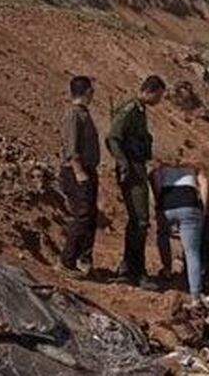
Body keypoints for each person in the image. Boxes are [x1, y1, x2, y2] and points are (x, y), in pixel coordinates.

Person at [106, 75, 166, 287]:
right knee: (140, 221)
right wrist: (123, 163)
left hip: (136, 167)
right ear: (151, 91)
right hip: (131, 169)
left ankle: (128, 267)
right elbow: (113, 136)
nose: (159, 100)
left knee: (137, 221)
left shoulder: (139, 110)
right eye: (159, 95)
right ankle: (136, 272)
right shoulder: (131, 109)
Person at [151, 158, 209, 303]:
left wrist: (159, 201)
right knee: (192, 252)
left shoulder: (162, 168)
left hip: (168, 204)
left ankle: (167, 269)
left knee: (163, 235)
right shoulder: (194, 168)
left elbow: (155, 180)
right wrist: (203, 207)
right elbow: (204, 183)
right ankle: (195, 295)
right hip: (189, 205)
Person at [59, 75, 102, 278]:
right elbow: (71, 146)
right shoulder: (73, 115)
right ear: (86, 92)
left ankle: (82, 259)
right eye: (91, 91)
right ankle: (67, 261)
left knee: (90, 215)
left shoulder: (84, 114)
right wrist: (78, 172)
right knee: (82, 214)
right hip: (77, 172)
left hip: (87, 170)